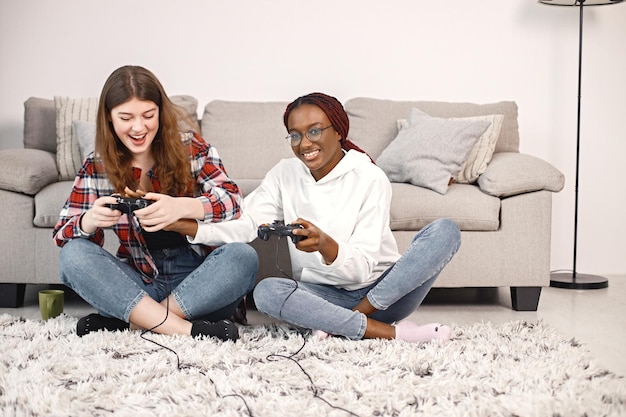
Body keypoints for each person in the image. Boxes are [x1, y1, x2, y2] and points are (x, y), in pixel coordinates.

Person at [181, 92, 461, 343]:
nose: (304, 144)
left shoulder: (369, 177)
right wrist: (189, 226)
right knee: (266, 291)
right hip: (323, 297)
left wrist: (326, 245)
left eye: (314, 131)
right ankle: (393, 333)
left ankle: (350, 320)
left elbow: (362, 268)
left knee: (445, 231)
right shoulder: (285, 174)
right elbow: (245, 223)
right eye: (295, 135)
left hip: (384, 294)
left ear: (338, 131)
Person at [53, 65, 258, 341]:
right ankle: (185, 329)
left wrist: (183, 206)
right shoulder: (97, 165)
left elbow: (233, 200)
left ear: (160, 113)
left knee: (243, 257)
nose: (139, 128)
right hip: (138, 283)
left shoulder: (191, 149)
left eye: (148, 115)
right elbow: (62, 234)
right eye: (126, 117)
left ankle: (135, 324)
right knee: (72, 256)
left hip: (198, 284)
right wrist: (90, 221)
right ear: (109, 119)